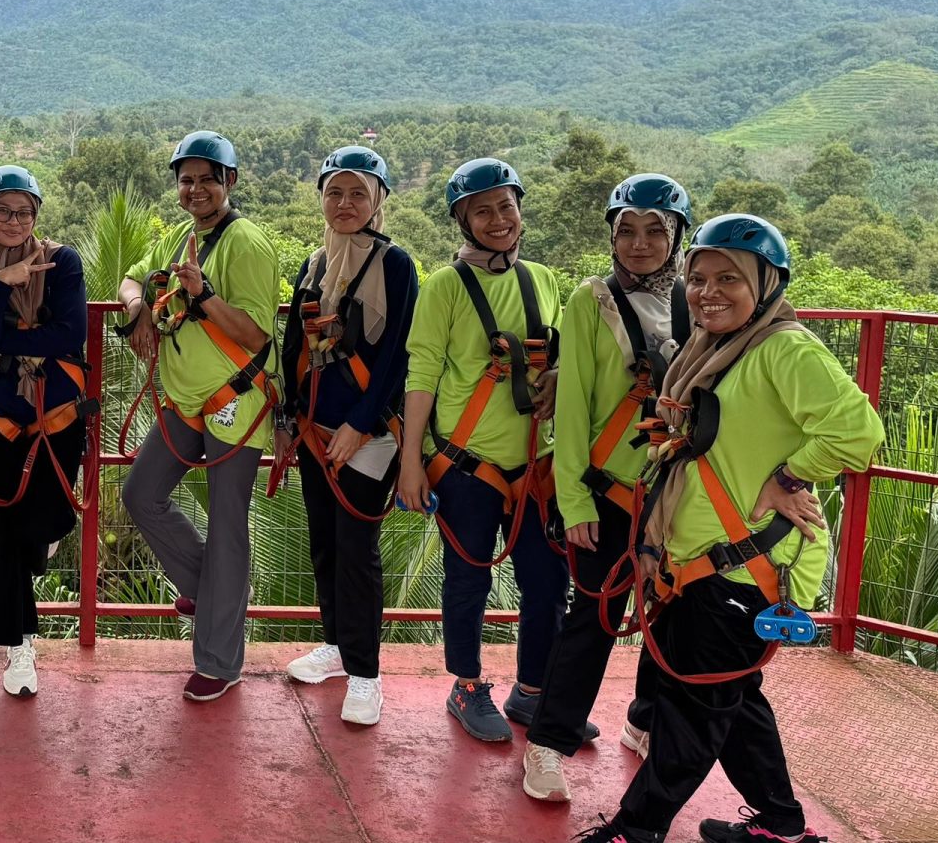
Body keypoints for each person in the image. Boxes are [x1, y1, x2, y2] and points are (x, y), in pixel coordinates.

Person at [584, 215, 882, 843]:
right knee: (734, 700)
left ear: (765, 285)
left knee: (693, 709)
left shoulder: (785, 350)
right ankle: (782, 825)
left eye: (729, 279)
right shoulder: (715, 351)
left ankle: (635, 830)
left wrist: (789, 476)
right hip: (702, 559)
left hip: (742, 568)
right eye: (698, 279)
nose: (708, 292)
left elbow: (857, 432)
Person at [520, 173, 688, 803]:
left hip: (674, 493)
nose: (639, 244)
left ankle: (644, 720)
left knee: (667, 613)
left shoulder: (692, 301)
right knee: (593, 618)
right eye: (627, 231)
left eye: (655, 232)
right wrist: (574, 501)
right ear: (612, 237)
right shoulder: (591, 300)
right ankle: (547, 743)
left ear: (676, 238)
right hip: (607, 490)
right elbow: (572, 408)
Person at [396, 157, 566, 743]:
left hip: (533, 464)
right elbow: (422, 373)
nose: (497, 220)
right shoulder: (446, 286)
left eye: (505, 207)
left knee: (546, 584)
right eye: (482, 211)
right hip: (466, 465)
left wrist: (556, 375)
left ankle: (533, 690)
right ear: (463, 221)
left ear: (520, 210)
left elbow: (559, 353)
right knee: (468, 579)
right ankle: (466, 685)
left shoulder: (541, 279)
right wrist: (412, 462)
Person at [118, 130, 281, 702]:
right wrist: (138, 307)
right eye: (186, 181)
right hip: (187, 401)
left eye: (207, 180)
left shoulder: (247, 243)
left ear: (229, 182)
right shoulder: (182, 237)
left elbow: (256, 333)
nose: (196, 190)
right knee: (141, 494)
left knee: (228, 524)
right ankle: (210, 591)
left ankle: (219, 662)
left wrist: (205, 294)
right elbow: (133, 276)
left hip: (235, 399)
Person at [276, 147, 417, 726]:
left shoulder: (395, 264)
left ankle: (365, 674)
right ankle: (336, 645)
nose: (345, 204)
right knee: (326, 543)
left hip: (368, 434)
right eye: (335, 192)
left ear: (378, 200)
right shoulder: (315, 264)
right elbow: (293, 346)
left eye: (358, 193)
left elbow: (398, 354)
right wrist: (287, 420)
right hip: (316, 432)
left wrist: (361, 423)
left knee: (357, 550)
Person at [0, 165, 90, 697]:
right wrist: (2, 288)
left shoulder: (61, 262)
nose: (13, 220)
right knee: (1, 533)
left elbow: (70, 333)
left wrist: (1, 339)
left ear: (36, 216)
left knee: (42, 524)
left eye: (23, 211)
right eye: (2, 210)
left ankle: (31, 583)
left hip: (57, 416)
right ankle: (19, 643)